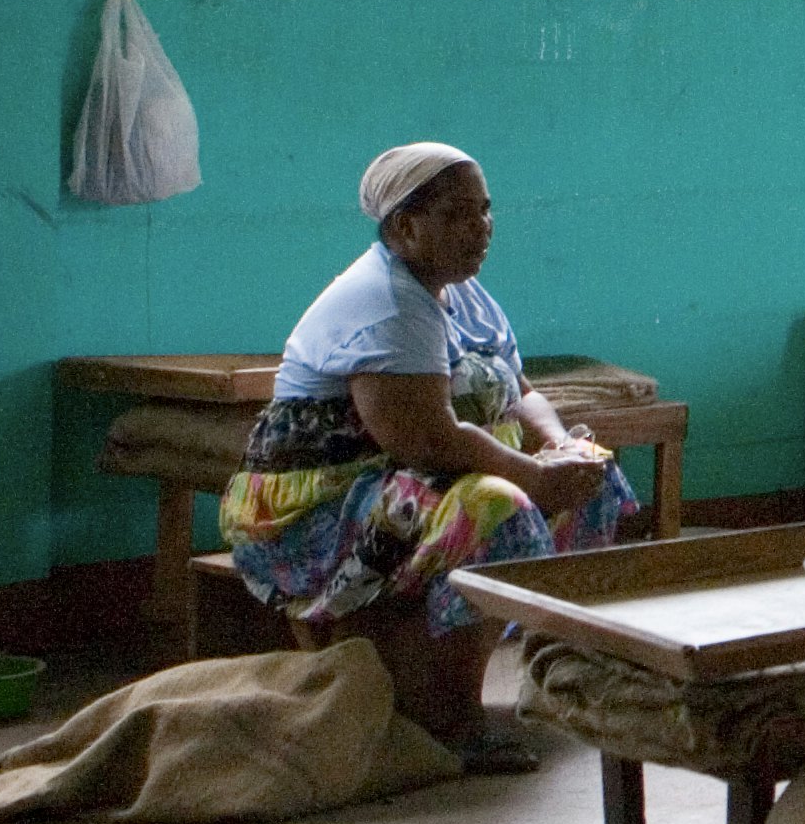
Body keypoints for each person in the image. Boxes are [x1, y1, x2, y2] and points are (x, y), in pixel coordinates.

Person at [219, 143, 639, 760]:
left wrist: (560, 446)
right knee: (497, 507)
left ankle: (561, 679)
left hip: (406, 481)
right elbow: (428, 440)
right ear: (405, 227)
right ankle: (451, 719)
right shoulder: (387, 303)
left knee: (595, 481)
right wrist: (533, 475)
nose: (482, 227)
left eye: (486, 210)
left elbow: (521, 392)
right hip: (319, 509)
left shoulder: (462, 292)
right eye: (459, 214)